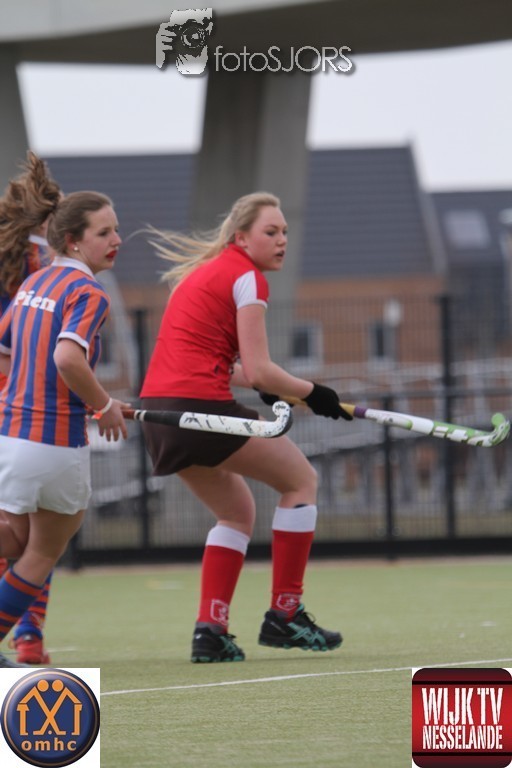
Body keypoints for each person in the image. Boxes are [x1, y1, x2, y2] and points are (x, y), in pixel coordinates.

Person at [140, 191, 352, 663]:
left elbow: (229, 367)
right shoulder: (247, 278)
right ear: (241, 238)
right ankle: (286, 615)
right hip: (201, 409)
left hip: (161, 415)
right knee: (301, 481)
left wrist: (281, 390)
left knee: (236, 513)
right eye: (270, 232)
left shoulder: (202, 275)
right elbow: (260, 370)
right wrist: (314, 392)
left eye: (285, 232)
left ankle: (210, 631)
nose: (281, 241)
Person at [0, 190, 128, 668]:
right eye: (104, 232)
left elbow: (5, 353)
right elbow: (68, 358)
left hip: (10, 437)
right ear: (73, 240)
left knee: (15, 542)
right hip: (53, 445)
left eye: (116, 230)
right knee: (41, 553)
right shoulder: (88, 292)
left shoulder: (34, 283)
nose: (116, 240)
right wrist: (103, 405)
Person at [0, 152, 61, 664]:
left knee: (14, 529)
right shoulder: (51, 266)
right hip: (25, 407)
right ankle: (27, 635)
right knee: (43, 530)